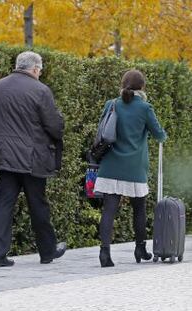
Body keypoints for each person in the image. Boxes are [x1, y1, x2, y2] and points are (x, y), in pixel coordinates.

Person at [0, 51, 66, 268]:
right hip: (32, 158)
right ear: (34, 69)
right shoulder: (40, 90)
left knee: (3, 204)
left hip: (5, 155)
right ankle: (47, 251)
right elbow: (53, 126)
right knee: (38, 204)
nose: (40, 74)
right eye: (39, 70)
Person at [93, 69, 167, 267]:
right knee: (139, 210)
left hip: (110, 166)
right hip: (134, 167)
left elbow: (101, 130)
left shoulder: (112, 104)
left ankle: (105, 253)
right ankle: (140, 248)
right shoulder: (145, 107)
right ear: (142, 87)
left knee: (108, 210)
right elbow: (159, 135)